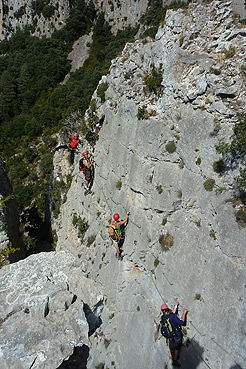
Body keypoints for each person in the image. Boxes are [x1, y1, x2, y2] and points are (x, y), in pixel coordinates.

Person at [160, 300, 188, 367]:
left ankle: (173, 358)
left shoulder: (163, 317)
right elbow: (182, 322)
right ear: (167, 309)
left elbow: (172, 313)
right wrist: (184, 313)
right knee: (177, 347)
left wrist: (176, 305)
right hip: (177, 334)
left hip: (169, 335)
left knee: (171, 347)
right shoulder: (172, 316)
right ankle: (175, 361)